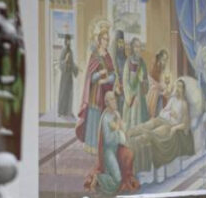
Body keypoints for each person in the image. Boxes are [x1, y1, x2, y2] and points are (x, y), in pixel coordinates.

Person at [85, 91, 139, 195]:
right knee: (117, 181)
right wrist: (119, 132)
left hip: (116, 149)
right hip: (108, 151)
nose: (115, 102)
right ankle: (98, 178)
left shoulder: (116, 113)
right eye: (112, 100)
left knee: (131, 153)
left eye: (115, 99)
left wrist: (123, 127)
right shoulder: (105, 118)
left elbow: (123, 128)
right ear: (107, 103)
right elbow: (109, 139)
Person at [75, 23, 117, 154]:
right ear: (99, 40)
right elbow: (90, 77)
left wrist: (108, 79)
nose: (107, 42)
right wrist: (99, 74)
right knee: (94, 118)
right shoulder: (94, 55)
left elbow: (113, 74)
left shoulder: (108, 55)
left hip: (106, 92)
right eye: (105, 39)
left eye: (108, 39)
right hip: (96, 93)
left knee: (104, 119)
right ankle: (92, 146)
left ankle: (101, 147)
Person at [121, 37, 150, 129]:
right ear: (132, 48)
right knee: (131, 120)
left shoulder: (142, 63)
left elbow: (146, 80)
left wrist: (143, 81)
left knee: (141, 120)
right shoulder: (128, 62)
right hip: (131, 96)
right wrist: (131, 97)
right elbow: (125, 80)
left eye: (139, 47)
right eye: (136, 46)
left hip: (140, 96)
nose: (138, 49)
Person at [57, 34, 78, 118]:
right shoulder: (63, 50)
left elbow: (72, 63)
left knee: (69, 93)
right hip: (64, 75)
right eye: (67, 40)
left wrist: (76, 68)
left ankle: (68, 111)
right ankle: (61, 112)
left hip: (69, 75)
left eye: (70, 40)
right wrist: (65, 60)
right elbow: (60, 63)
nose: (69, 42)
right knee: (63, 93)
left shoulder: (71, 51)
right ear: (65, 41)